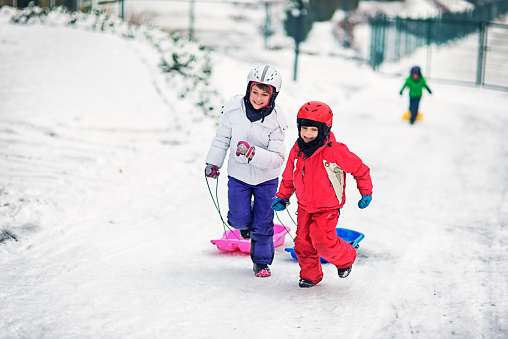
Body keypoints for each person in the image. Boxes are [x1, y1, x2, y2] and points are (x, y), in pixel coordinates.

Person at [271, 101, 373, 288]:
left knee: (322, 240)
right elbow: (288, 177)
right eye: (304, 128)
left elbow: (360, 169)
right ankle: (310, 276)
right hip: (304, 207)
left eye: (313, 130)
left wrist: (365, 191)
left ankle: (346, 257)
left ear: (324, 130)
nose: (308, 134)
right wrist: (283, 196)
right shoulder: (297, 150)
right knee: (302, 243)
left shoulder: (335, 151)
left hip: (327, 207)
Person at [204, 65, 287, 278]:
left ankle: (261, 263)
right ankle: (245, 220)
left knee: (263, 223)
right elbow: (222, 139)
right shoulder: (233, 112)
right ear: (248, 89)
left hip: (266, 180)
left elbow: (278, 159)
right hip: (238, 176)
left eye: (264, 94)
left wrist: (253, 154)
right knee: (239, 220)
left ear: (273, 96)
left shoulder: (276, 121)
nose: (258, 98)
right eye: (255, 92)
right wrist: (213, 163)